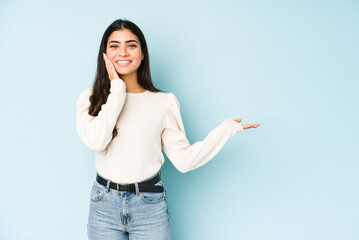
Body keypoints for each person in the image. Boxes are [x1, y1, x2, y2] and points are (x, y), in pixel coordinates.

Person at [76, 18, 260, 240]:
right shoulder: (91, 98)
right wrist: (117, 89)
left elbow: (184, 161)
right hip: (103, 205)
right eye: (114, 46)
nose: (123, 52)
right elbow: (96, 141)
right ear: (104, 55)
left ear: (142, 54)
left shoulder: (163, 102)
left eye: (131, 45)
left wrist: (226, 130)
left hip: (149, 206)